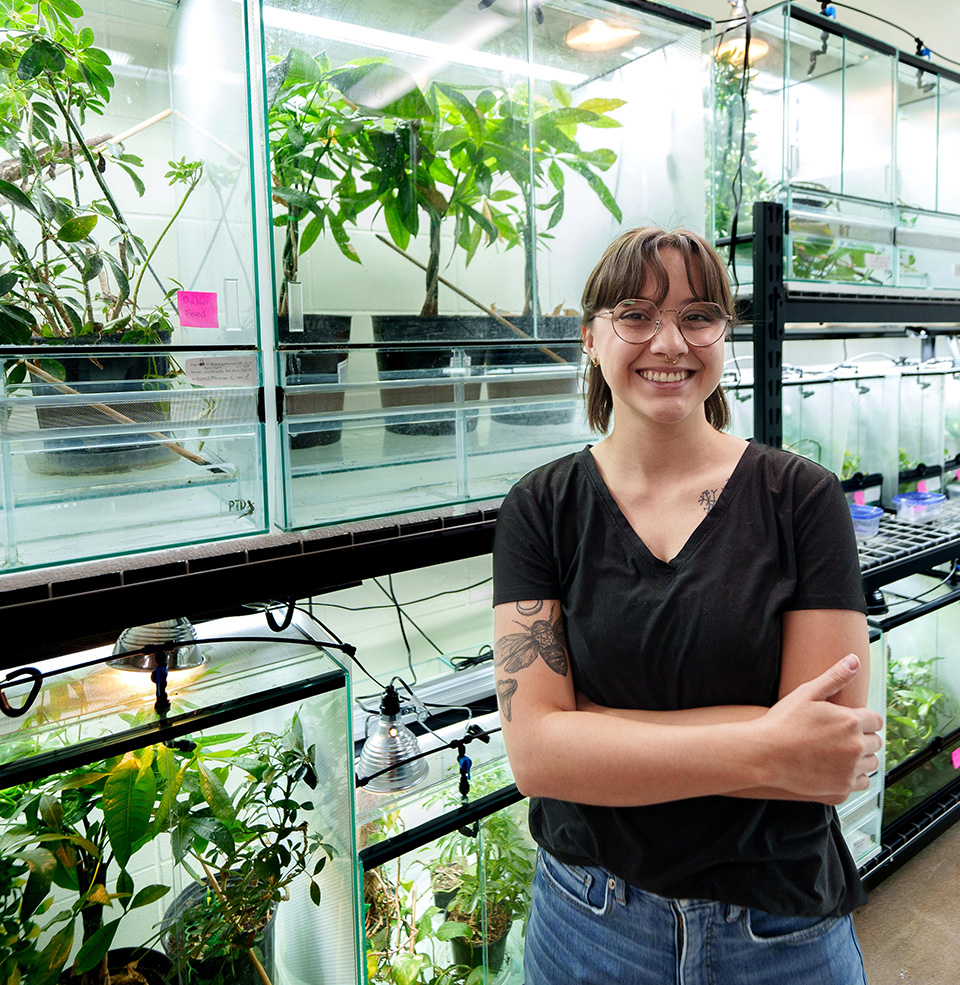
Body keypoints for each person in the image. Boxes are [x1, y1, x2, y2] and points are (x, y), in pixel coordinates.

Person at [491, 227, 884, 985]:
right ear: (590, 336)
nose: (668, 341)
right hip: (588, 923)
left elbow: (827, 758)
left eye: (698, 315)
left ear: (723, 335)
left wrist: (593, 734)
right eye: (635, 314)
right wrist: (772, 741)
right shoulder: (540, 508)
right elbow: (538, 755)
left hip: (780, 930)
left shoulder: (801, 498)